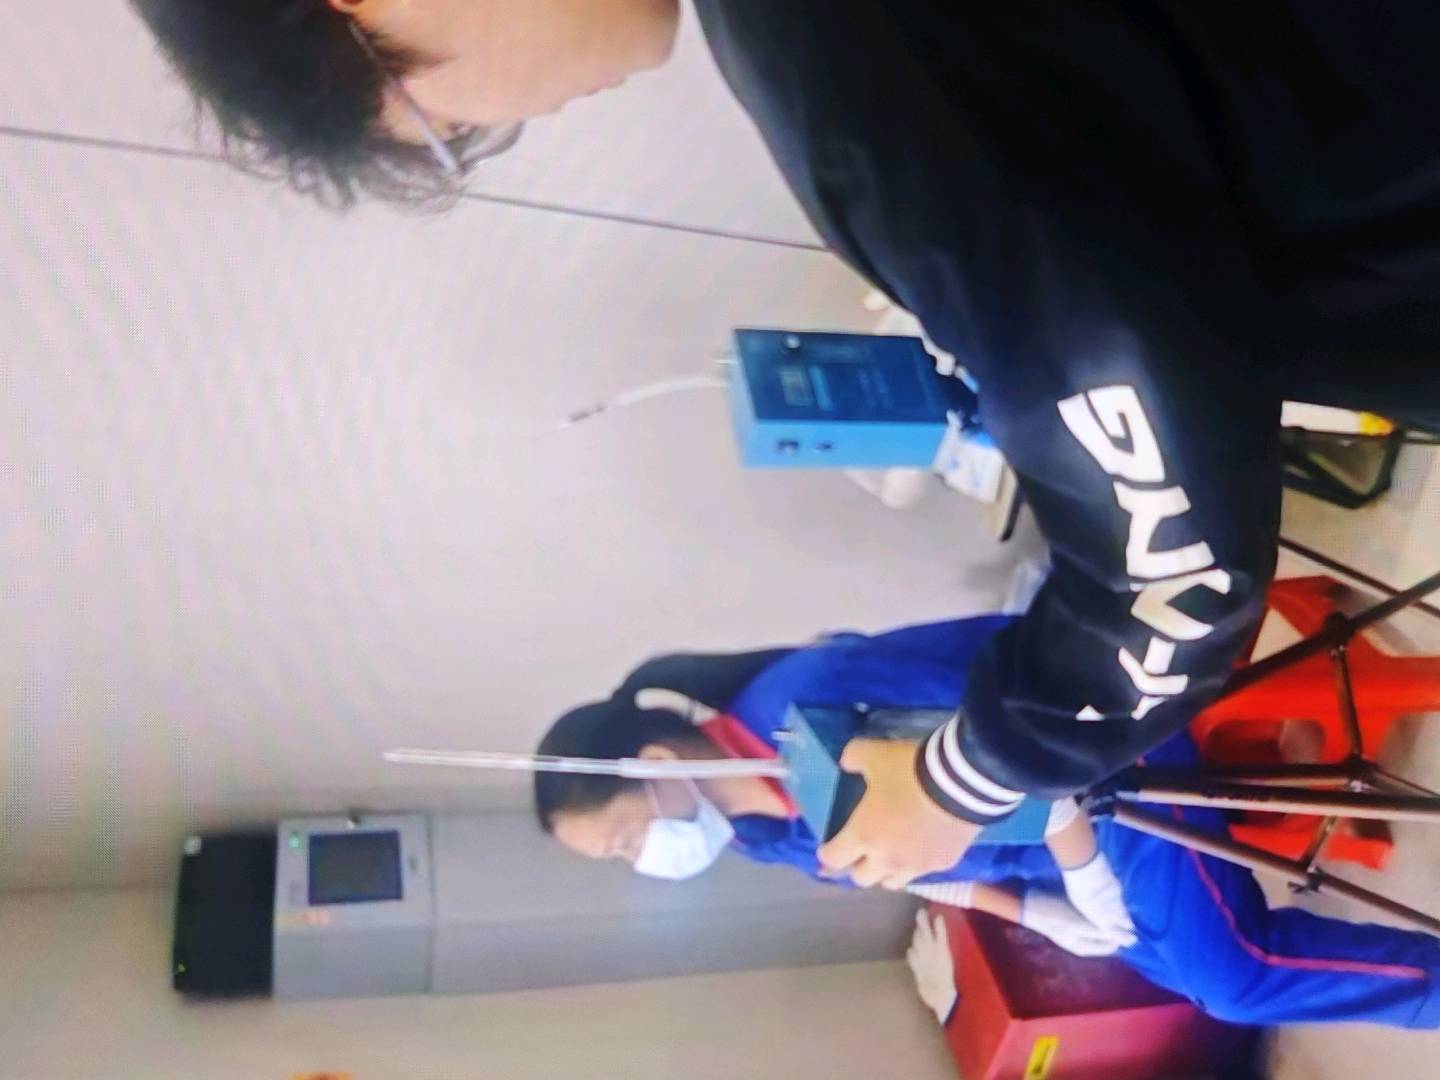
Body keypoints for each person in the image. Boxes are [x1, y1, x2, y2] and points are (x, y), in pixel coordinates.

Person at [132, 2, 1440, 882]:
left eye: (440, 124)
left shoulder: (842, 66)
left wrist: (961, 781)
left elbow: (1173, 576)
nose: (506, 123)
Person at [535, 616, 1440, 1030]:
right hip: (1066, 851)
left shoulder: (805, 711)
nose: (644, 859)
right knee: (1182, 976)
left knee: (1235, 981)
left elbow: (1020, 748)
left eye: (625, 839)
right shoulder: (761, 831)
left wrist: (1085, 874)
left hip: (1102, 760)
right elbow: (922, 868)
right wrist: (1041, 914)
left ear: (655, 766)